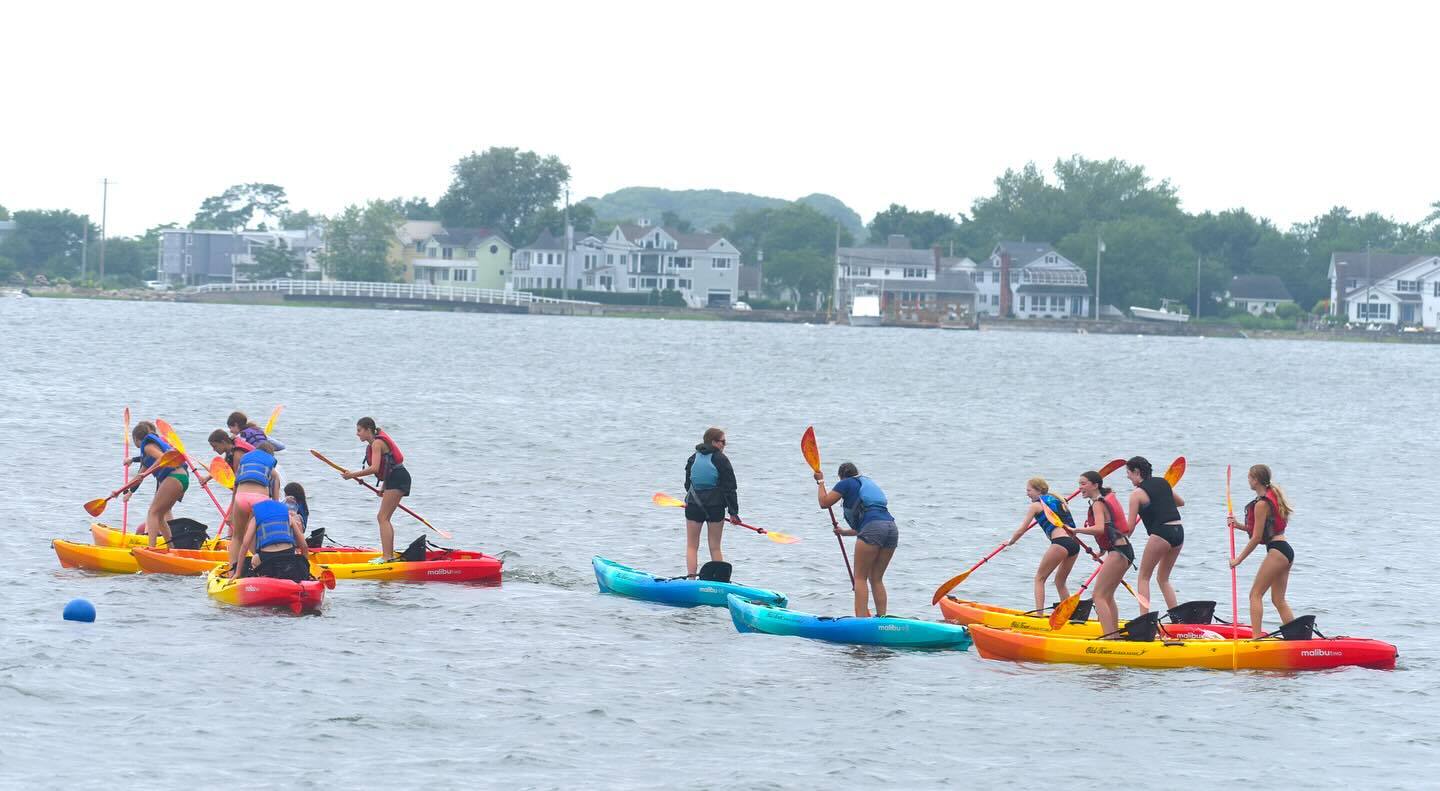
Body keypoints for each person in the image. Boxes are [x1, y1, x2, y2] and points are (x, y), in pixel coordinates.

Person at [815, 462, 897, 618]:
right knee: (876, 578)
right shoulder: (864, 485)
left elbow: (824, 502)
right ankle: (882, 619)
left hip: (874, 528)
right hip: (891, 528)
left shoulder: (846, 483)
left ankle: (861, 620)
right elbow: (872, 524)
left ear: (841, 476)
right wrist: (844, 533)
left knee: (860, 578)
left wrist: (820, 482)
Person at [1229, 464, 1296, 637]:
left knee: (1255, 595)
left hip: (1277, 552)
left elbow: (1257, 538)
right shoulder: (1272, 495)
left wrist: (1238, 560)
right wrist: (1238, 526)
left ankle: (1256, 637)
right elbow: (1264, 530)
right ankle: (1297, 637)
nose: (1248, 481)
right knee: (1278, 599)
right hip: (1286, 550)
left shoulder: (1261, 505)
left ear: (1256, 480)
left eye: (1249, 477)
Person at [1072, 470, 1133, 636]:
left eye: (1083, 484)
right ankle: (1114, 635)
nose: (1080, 488)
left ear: (1095, 485)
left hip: (1118, 552)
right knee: (1107, 595)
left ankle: (1109, 638)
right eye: (1079, 484)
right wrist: (1102, 551)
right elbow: (1108, 528)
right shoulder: (1101, 501)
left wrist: (1076, 530)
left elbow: (1099, 528)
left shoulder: (1098, 503)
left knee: (1098, 596)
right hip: (1123, 550)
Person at [1006, 477, 1080, 615]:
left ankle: (1039, 614)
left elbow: (1022, 529)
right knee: (1060, 581)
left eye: (1029, 490)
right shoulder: (1058, 500)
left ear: (1038, 490)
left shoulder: (1035, 506)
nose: (1027, 493)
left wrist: (1011, 542)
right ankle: (1070, 614)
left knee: (1039, 578)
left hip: (1060, 543)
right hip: (1074, 545)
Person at [342, 417, 409, 563]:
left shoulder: (377, 443)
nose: (357, 434)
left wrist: (351, 475)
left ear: (367, 430)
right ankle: (388, 556)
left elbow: (375, 468)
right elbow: (387, 466)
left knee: (382, 518)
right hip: (394, 478)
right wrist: (383, 487)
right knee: (384, 518)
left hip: (398, 478)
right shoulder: (375, 443)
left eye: (359, 430)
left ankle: (387, 557)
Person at [1125, 456, 1185, 614]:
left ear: (1137, 472)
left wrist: (1120, 544)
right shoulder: (1163, 483)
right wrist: (1160, 500)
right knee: (1163, 578)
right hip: (1178, 532)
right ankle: (1177, 618)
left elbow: (1129, 528)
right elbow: (1180, 502)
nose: (1127, 476)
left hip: (1161, 533)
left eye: (1129, 473)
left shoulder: (1136, 494)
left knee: (1143, 577)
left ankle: (1144, 620)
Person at [682, 427, 739, 577]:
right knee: (715, 547)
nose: (724, 445)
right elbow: (730, 487)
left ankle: (691, 579)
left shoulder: (693, 458)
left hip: (694, 507)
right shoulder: (721, 459)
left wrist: (694, 499)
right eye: (723, 442)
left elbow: (688, 485)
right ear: (714, 442)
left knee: (692, 546)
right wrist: (733, 513)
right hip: (715, 508)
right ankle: (718, 582)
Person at [124, 421, 187, 548]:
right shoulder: (149, 454)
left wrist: (146, 472)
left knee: (152, 512)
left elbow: (162, 458)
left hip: (174, 477)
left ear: (136, 439)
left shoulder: (148, 447)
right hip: (182, 478)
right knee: (160, 515)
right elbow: (138, 478)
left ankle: (151, 548)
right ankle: (172, 548)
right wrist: (121, 491)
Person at [225, 441, 281, 576]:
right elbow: (276, 499)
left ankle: (232, 573)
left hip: (240, 498)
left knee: (237, 537)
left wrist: (231, 512)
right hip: (260, 499)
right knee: (257, 537)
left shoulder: (244, 462)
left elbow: (235, 486)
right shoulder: (271, 468)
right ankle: (262, 571)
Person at [240, 497, 313, 581]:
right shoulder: (288, 516)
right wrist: (307, 573)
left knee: (255, 559)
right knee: (296, 554)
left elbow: (245, 545)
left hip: (266, 558)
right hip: (288, 555)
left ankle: (262, 579)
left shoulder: (256, 518)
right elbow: (304, 546)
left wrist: (238, 573)